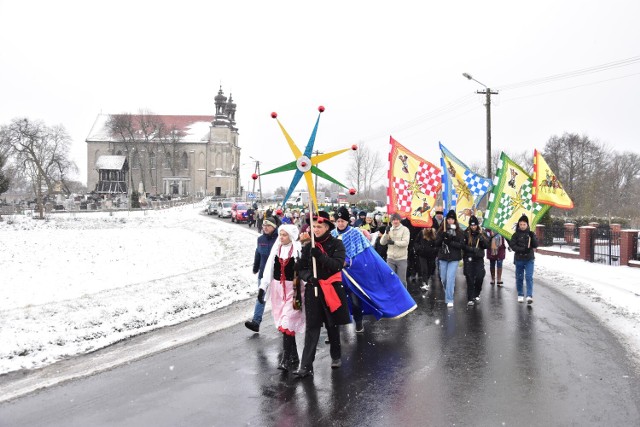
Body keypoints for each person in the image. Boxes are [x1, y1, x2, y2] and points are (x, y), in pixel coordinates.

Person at [332, 207, 417, 333]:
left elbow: (364, 255)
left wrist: (349, 262)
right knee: (336, 302)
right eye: (338, 221)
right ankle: (334, 330)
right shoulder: (332, 234)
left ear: (347, 221)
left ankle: (359, 322)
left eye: (342, 221)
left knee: (355, 300)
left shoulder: (355, 234)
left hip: (353, 274)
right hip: (337, 274)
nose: (340, 223)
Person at [294, 210, 351, 378]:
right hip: (314, 289)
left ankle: (336, 355)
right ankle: (306, 365)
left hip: (331, 288)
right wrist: (309, 277)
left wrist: (319, 256)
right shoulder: (308, 245)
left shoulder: (336, 244)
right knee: (312, 327)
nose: (315, 229)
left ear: (327, 227)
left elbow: (337, 265)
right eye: (313, 226)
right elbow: (301, 268)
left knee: (332, 325)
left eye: (319, 226)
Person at [257, 224, 304, 371]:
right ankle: (294, 356)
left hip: (294, 290)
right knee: (284, 325)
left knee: (287, 322)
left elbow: (304, 269)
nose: (281, 237)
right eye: (280, 234)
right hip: (278, 291)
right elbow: (269, 269)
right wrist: (262, 288)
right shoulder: (276, 249)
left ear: (290, 236)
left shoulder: (297, 249)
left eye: (284, 235)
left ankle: (285, 358)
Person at [244, 217, 278, 332]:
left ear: (274, 227)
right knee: (260, 298)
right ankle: (256, 322)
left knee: (278, 300)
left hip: (277, 275)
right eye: (264, 226)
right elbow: (257, 253)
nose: (265, 228)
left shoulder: (280, 239)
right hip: (263, 274)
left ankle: (283, 323)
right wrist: (255, 267)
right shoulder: (260, 239)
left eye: (268, 226)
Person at [435, 210, 464, 308]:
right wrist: (442, 238)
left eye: (452, 219)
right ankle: (448, 290)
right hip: (443, 257)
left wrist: (450, 241)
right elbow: (436, 243)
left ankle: (449, 299)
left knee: (450, 277)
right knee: (443, 278)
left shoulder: (459, 231)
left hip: (454, 258)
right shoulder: (441, 229)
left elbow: (461, 245)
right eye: (449, 219)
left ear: (455, 220)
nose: (450, 221)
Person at [508, 214, 538, 304]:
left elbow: (536, 245)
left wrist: (533, 237)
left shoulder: (531, 234)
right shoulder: (515, 235)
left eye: (524, 224)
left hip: (529, 259)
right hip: (519, 258)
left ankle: (529, 295)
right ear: (518, 225)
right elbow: (513, 246)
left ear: (527, 225)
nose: (522, 226)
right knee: (519, 277)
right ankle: (520, 294)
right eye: (520, 224)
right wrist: (522, 249)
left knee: (529, 277)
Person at [461, 215, 489, 306]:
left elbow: (486, 245)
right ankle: (470, 297)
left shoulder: (482, 232)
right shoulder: (465, 233)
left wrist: (482, 240)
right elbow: (463, 246)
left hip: (478, 259)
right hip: (468, 258)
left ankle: (477, 293)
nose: (473, 227)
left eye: (475, 225)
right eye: (471, 225)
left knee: (480, 276)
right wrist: (472, 249)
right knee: (469, 277)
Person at [380, 212, 411, 287]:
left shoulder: (405, 230)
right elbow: (382, 242)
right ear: (391, 221)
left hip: (401, 258)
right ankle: (392, 297)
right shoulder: (389, 229)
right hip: (390, 258)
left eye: (397, 219)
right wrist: (386, 233)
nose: (395, 221)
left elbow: (405, 243)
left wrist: (394, 242)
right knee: (390, 279)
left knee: (402, 281)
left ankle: (403, 297)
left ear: (400, 220)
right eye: (393, 220)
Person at [414, 227, 438, 291]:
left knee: (430, 269)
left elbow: (437, 243)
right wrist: (419, 248)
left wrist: (434, 250)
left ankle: (427, 279)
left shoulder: (434, 233)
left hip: (431, 255)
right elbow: (416, 242)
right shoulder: (421, 233)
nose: (428, 228)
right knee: (424, 268)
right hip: (422, 254)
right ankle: (425, 282)